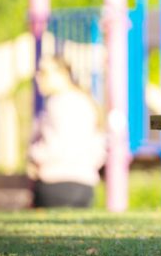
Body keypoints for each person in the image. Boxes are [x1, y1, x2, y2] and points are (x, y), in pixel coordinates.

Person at [27, 56, 106, 208]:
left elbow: (57, 145)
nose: (38, 78)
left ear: (62, 74)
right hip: (85, 182)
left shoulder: (58, 103)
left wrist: (35, 156)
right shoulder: (87, 101)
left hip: (56, 180)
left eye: (44, 72)